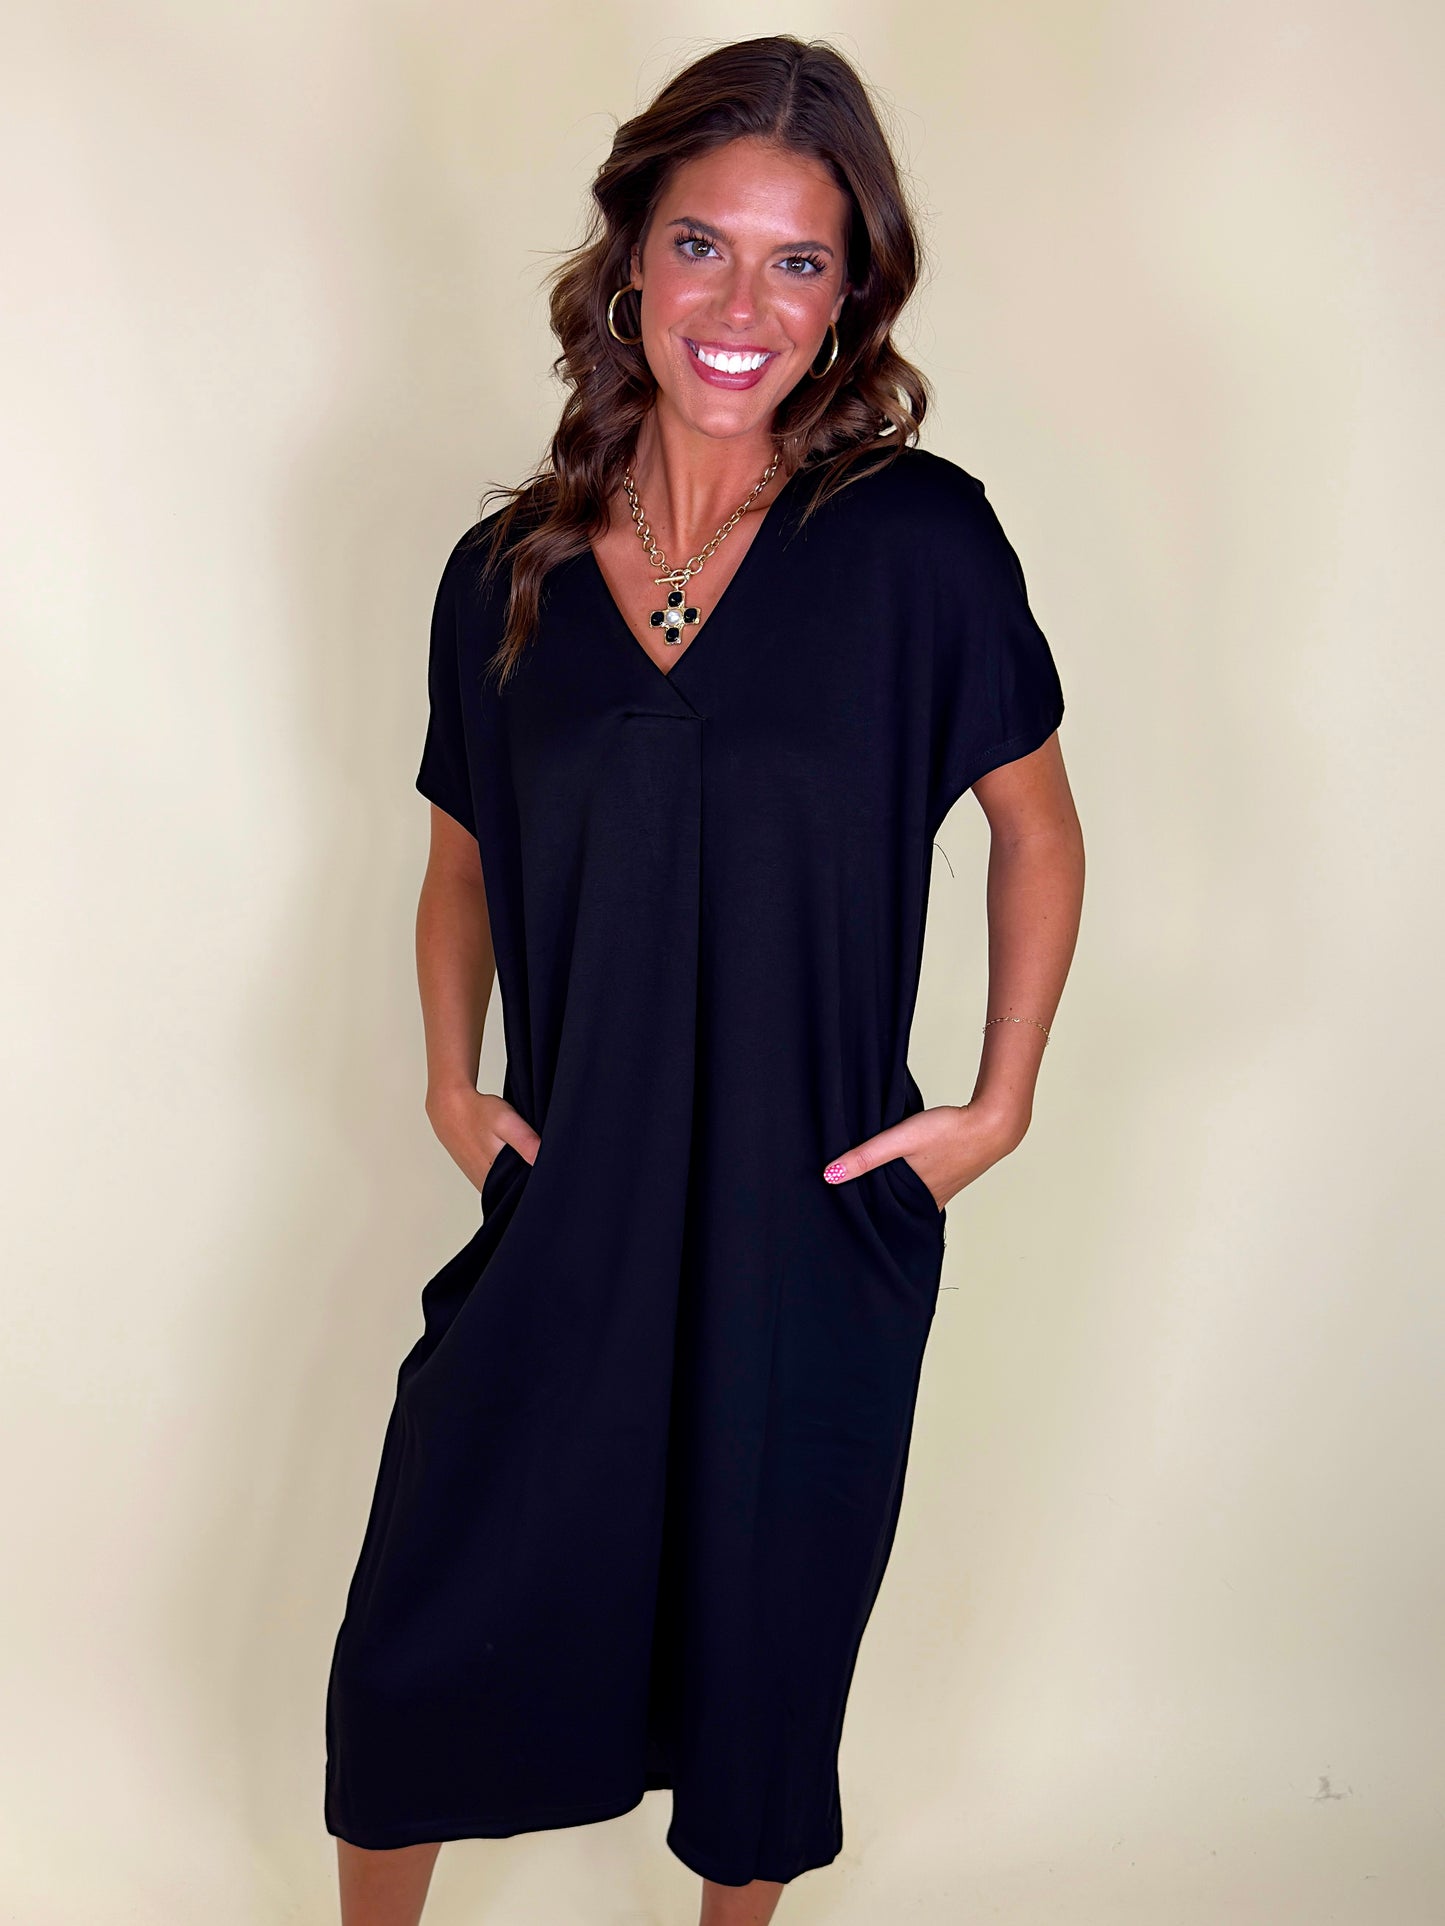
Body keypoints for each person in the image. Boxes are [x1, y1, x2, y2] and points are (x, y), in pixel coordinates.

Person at [323, 32, 1085, 1926]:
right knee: (418, 1641)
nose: (740, 308)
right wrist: (450, 1082)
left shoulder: (916, 544)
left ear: (849, 296)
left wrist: (994, 1105)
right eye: (700, 246)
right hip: (569, 1203)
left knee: (762, 1674)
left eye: (796, 261)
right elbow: (458, 863)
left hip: (802, 1221)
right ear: (629, 260)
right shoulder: (503, 572)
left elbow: (1037, 828)